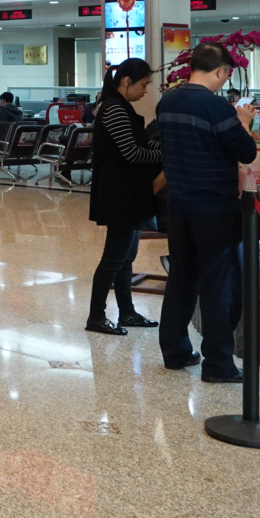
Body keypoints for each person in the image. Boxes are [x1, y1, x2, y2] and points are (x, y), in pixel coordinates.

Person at [156, 42, 257, 381]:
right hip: (214, 207)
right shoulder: (217, 107)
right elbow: (246, 152)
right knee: (218, 285)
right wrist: (243, 122)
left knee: (181, 278)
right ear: (220, 71)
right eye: (226, 75)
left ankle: (175, 351)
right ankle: (218, 364)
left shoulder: (166, 101)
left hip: (179, 204)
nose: (225, 81)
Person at [85, 58, 162, 335]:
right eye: (143, 85)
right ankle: (96, 317)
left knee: (126, 258)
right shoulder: (114, 109)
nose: (145, 90)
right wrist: (163, 154)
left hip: (128, 192)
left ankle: (127, 312)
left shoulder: (120, 106)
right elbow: (131, 153)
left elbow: (134, 146)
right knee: (113, 258)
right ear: (127, 81)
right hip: (120, 194)